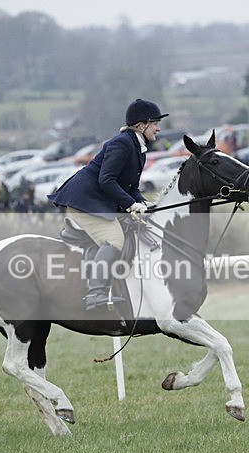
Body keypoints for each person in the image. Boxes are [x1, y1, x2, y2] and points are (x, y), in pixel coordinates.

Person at [48, 98, 168, 311]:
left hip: (100, 200)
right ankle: (96, 293)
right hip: (85, 201)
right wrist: (131, 205)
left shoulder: (139, 148)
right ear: (141, 125)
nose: (158, 128)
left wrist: (144, 203)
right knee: (114, 240)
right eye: (155, 123)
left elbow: (131, 187)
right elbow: (106, 180)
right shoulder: (122, 143)